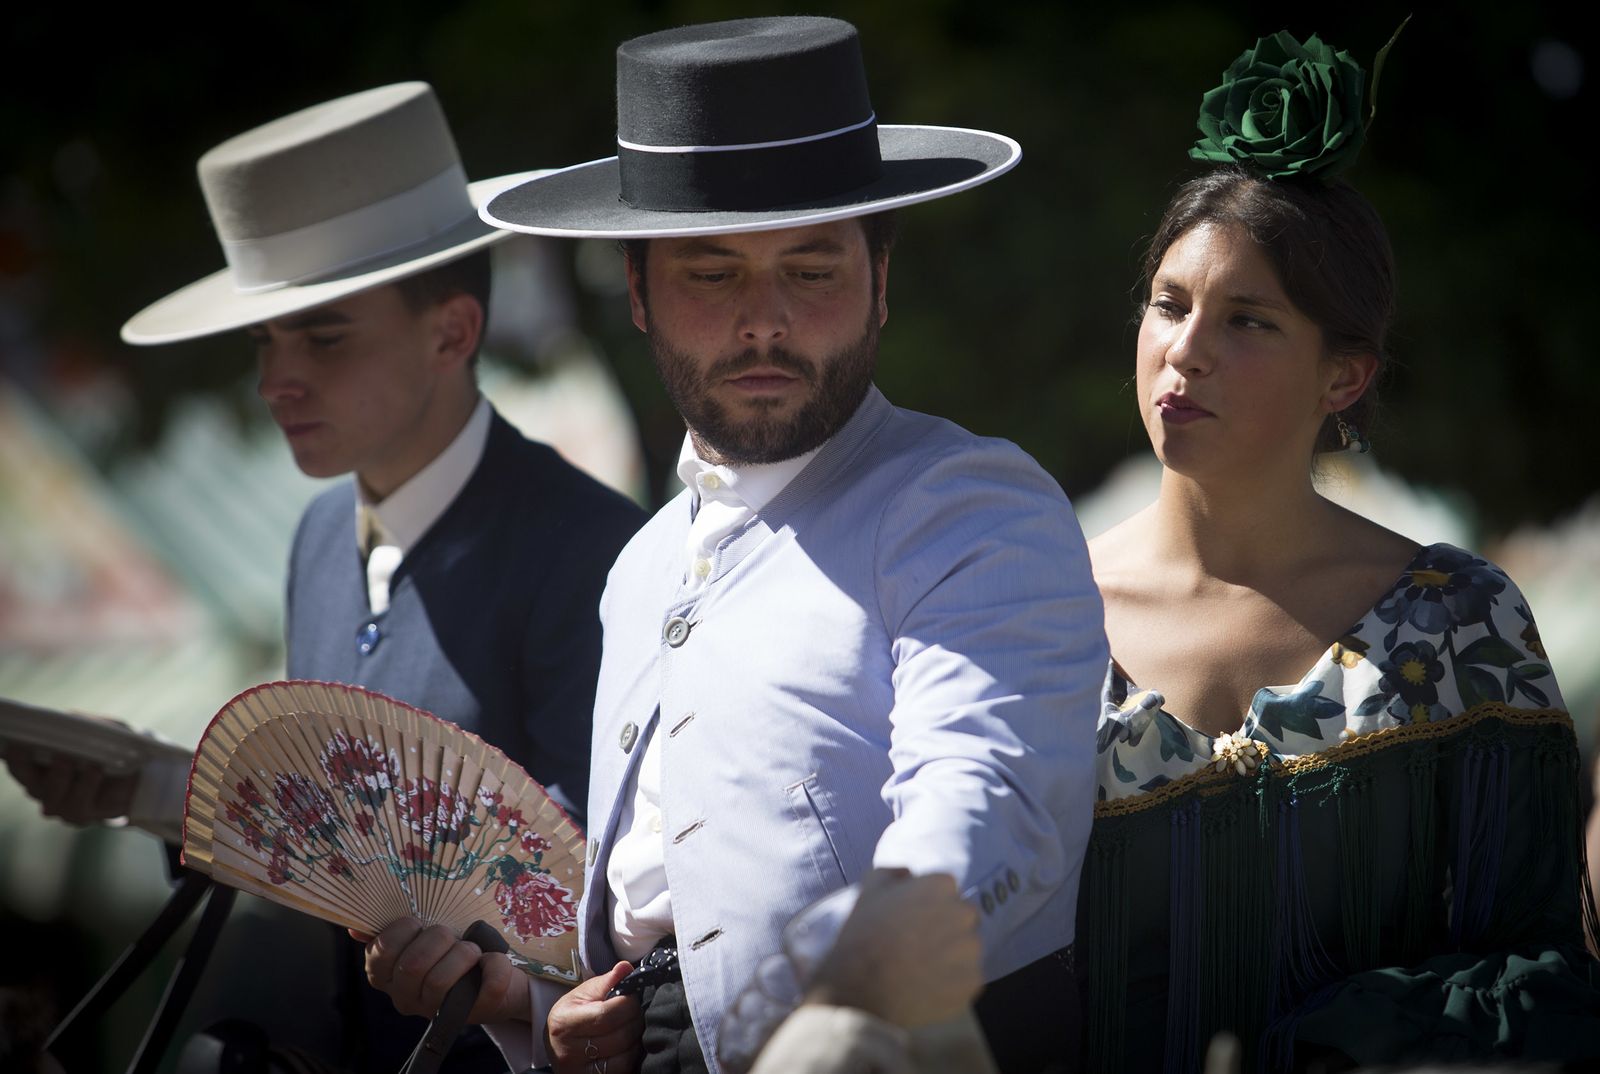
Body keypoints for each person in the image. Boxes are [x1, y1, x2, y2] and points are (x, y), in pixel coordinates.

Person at [364, 16, 1107, 1074]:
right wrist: (540, 1006)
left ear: (880, 283)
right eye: (711, 276)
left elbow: (988, 793)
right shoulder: (643, 566)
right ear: (636, 293)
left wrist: (861, 996)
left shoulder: (968, 507)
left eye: (810, 271)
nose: (764, 321)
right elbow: (658, 894)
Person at [7, 83, 644, 1074]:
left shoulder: (592, 552)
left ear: (452, 330)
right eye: (266, 341)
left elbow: (588, 897)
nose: (275, 382)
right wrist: (152, 794)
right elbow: (328, 850)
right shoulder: (317, 537)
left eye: (324, 337)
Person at [1076, 31, 1600, 1073]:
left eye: (1248, 322)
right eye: (1169, 305)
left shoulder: (1460, 624)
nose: (1185, 351)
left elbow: (1537, 977)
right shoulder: (1034, 607)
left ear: (1343, 377)